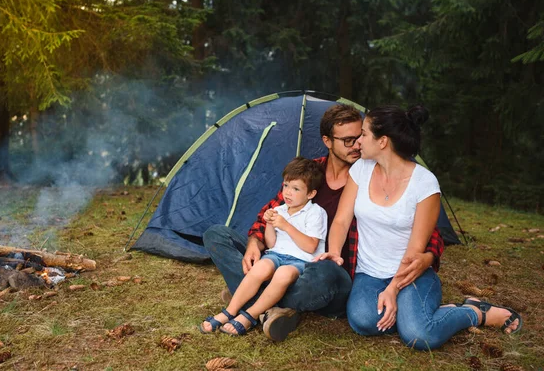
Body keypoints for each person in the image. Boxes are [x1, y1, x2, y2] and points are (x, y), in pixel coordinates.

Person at [203, 104, 444, 342]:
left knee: (323, 273)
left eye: (360, 136)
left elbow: (421, 232)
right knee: (218, 236)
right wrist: (255, 241)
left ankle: (250, 297)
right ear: (328, 141)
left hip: (326, 273)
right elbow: (274, 210)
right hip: (286, 259)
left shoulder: (367, 172)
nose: (357, 144)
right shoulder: (309, 174)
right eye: (348, 140)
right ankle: (269, 307)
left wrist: (429, 255)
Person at [319, 105, 522, 350]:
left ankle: (475, 313)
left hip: (411, 274)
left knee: (419, 335)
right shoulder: (360, 170)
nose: (358, 142)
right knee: (363, 321)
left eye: (363, 134)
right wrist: (334, 253)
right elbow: (341, 220)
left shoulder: (424, 183)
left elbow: (416, 250)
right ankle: (414, 311)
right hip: (368, 273)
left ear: (382, 141)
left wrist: (393, 290)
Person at [199, 157, 328, 336]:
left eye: (296, 189)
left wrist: (286, 226)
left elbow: (311, 246)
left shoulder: (315, 213)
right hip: (276, 255)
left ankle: (249, 315)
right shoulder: (281, 210)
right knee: (260, 268)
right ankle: (230, 310)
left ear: (311, 194)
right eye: (286, 186)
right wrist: (269, 224)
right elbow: (272, 244)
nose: (288, 193)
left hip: (300, 261)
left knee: (283, 274)